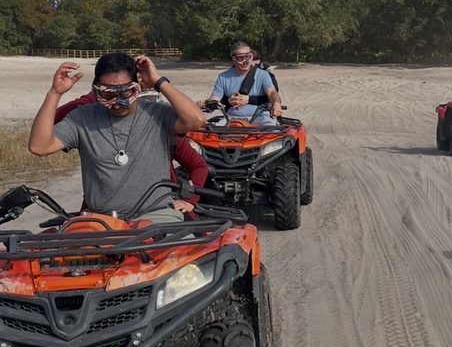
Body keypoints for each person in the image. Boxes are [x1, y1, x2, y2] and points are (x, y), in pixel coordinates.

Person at [28, 53, 206, 223]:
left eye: (125, 93)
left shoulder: (157, 114)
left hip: (157, 215)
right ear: (96, 90)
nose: (117, 103)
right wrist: (54, 93)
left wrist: (158, 81)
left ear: (137, 85)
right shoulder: (82, 118)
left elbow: (196, 120)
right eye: (108, 95)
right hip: (100, 219)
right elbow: (39, 147)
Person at [54, 90, 208, 213]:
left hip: (155, 211)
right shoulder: (93, 126)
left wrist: (190, 200)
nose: (120, 104)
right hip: (101, 212)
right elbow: (57, 119)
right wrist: (105, 89)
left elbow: (198, 164)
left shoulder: (162, 128)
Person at [197, 41, 282, 122]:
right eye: (240, 58)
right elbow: (215, 99)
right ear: (233, 59)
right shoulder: (223, 77)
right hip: (231, 119)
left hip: (261, 118)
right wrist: (205, 104)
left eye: (248, 57)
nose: (245, 61)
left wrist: (277, 104)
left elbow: (272, 93)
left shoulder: (263, 75)